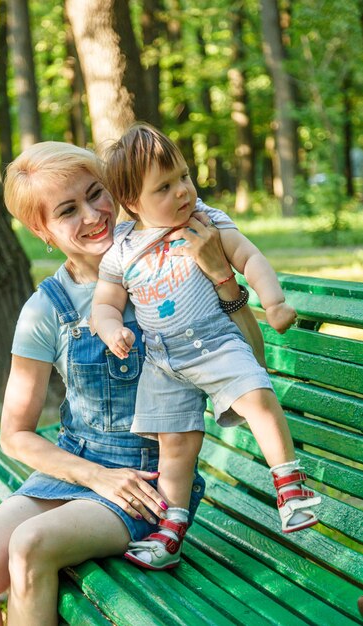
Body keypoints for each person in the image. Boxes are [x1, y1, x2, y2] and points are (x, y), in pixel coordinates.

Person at [0, 141, 263, 626]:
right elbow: (16, 433)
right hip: (77, 469)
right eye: (68, 210)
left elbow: (252, 363)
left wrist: (221, 275)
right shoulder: (46, 308)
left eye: (97, 194)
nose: (94, 215)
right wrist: (93, 475)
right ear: (42, 230)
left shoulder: (174, 264)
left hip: (151, 483)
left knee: (31, 546)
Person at [92, 123, 322, 571]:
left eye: (184, 176)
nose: (183, 191)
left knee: (258, 397)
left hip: (216, 344)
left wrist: (273, 303)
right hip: (162, 361)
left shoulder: (207, 220)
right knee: (175, 448)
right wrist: (109, 329)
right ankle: (172, 528)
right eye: (164, 186)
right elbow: (105, 302)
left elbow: (250, 258)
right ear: (134, 204)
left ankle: (290, 486)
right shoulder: (122, 248)